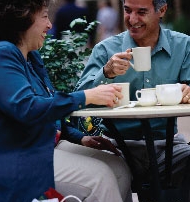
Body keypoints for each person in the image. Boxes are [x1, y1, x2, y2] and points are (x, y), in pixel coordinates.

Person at [0, 0, 133, 202]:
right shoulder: (1, 54)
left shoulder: (32, 57)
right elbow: (27, 108)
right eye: (45, 16)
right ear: (24, 17)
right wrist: (87, 96)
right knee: (101, 178)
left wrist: (80, 138)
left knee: (119, 167)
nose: (49, 25)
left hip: (43, 144)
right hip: (18, 156)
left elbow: (47, 110)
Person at [75, 0, 190, 190]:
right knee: (102, 174)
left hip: (168, 146)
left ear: (161, 10)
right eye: (127, 11)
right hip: (115, 148)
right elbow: (79, 99)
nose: (132, 19)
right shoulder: (106, 50)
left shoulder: (183, 46)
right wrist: (106, 73)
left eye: (141, 12)